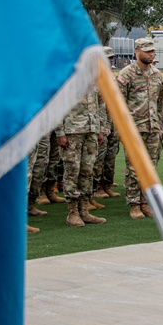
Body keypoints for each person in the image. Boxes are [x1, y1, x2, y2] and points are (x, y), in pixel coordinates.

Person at [117, 37, 163, 219]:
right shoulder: (126, 74)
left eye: (152, 51)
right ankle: (134, 204)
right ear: (137, 52)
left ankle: (146, 202)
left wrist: (160, 127)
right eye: (147, 51)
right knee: (134, 167)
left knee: (150, 168)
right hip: (134, 129)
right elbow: (118, 104)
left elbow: (160, 103)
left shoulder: (157, 74)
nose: (151, 54)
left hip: (153, 128)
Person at [55, 78, 106, 227]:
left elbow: (101, 104)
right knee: (72, 171)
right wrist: (60, 132)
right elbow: (57, 106)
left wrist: (101, 128)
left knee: (87, 170)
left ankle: (84, 210)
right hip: (72, 131)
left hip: (91, 131)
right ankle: (72, 213)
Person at [94, 46, 122, 200]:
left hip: (113, 121)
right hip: (101, 122)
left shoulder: (111, 76)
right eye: (107, 58)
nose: (110, 61)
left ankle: (107, 184)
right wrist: (101, 126)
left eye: (112, 58)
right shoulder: (94, 77)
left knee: (111, 155)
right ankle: (96, 187)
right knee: (99, 156)